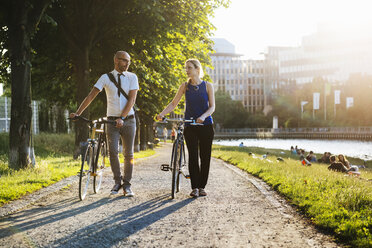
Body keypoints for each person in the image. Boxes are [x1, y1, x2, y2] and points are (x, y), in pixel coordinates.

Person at [70, 51, 139, 197]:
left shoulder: (132, 77)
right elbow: (91, 96)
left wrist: (122, 117)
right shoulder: (105, 78)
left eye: (129, 61)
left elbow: (132, 100)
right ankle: (117, 182)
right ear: (116, 60)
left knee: (129, 154)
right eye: (124, 60)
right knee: (112, 152)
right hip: (111, 121)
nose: (127, 64)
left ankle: (127, 185)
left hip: (129, 120)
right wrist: (78, 113)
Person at [157, 58, 215, 198]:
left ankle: (202, 187)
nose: (186, 70)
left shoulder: (208, 86)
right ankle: (194, 187)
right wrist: (162, 114)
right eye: (186, 68)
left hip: (206, 125)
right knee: (193, 156)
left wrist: (203, 116)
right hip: (190, 125)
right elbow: (174, 103)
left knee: (205, 157)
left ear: (197, 69)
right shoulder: (184, 86)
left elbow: (212, 106)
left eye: (189, 67)